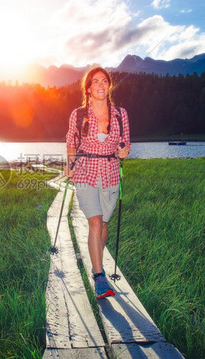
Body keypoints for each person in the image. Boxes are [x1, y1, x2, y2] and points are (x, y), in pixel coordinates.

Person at [64, 66, 131, 299]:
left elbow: (125, 144)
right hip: (85, 172)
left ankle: (94, 256)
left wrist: (124, 152)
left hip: (111, 173)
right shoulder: (79, 114)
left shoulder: (121, 115)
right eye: (95, 82)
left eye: (104, 81)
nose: (101, 85)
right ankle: (99, 277)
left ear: (109, 85)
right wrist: (70, 164)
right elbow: (71, 142)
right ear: (88, 88)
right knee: (95, 221)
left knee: (103, 225)